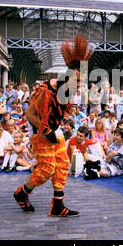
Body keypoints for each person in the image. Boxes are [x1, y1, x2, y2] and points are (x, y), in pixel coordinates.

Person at [14, 35, 93, 216]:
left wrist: (58, 126)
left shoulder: (67, 89)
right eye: (78, 80)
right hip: (41, 134)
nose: (80, 84)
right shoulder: (46, 90)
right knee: (47, 168)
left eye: (82, 81)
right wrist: (48, 130)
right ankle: (21, 193)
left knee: (63, 164)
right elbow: (29, 114)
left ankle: (58, 205)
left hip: (53, 132)